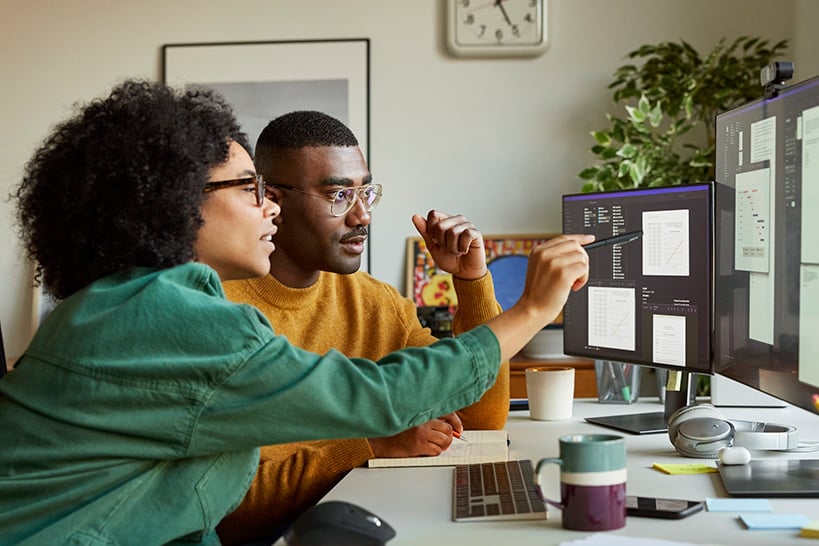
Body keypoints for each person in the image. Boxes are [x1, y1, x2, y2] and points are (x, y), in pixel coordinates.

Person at [0, 79, 592, 545]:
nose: (269, 210)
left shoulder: (132, 303)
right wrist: (535, 307)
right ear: (177, 203)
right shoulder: (162, 317)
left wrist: (474, 284)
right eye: (251, 189)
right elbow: (376, 401)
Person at [218, 110, 509, 543]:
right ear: (273, 202)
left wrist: (471, 282)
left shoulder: (374, 301)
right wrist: (371, 445)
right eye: (338, 196)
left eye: (366, 194)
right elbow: (226, 506)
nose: (363, 217)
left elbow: (480, 416)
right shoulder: (216, 311)